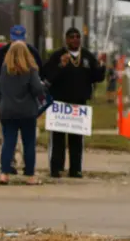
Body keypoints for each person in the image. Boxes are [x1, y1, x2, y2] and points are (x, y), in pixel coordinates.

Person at [43, 27, 106, 178]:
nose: (75, 39)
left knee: (77, 139)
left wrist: (102, 66)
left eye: (77, 37)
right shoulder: (57, 56)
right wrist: (60, 66)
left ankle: (75, 169)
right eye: (71, 37)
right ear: (66, 39)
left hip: (79, 103)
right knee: (57, 138)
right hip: (59, 104)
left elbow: (96, 77)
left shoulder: (87, 57)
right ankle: (56, 168)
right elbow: (46, 76)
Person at [0, 25, 42, 174]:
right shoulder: (31, 67)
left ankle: (4, 173)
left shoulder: (4, 69)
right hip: (27, 110)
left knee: (8, 142)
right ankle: (30, 173)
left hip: (7, 108)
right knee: (29, 143)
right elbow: (38, 87)